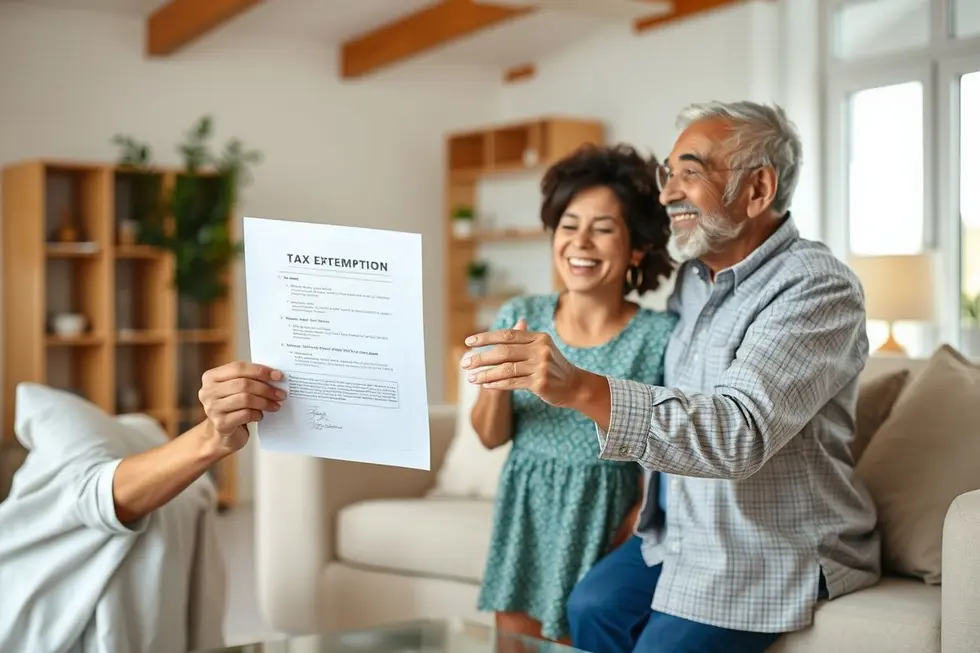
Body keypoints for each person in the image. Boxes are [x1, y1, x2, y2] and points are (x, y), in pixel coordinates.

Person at [459, 101, 880, 653]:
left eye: (691, 172)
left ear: (757, 189)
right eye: (668, 174)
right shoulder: (695, 281)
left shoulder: (816, 288)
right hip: (679, 533)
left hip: (762, 544)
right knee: (591, 607)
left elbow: (738, 433)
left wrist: (581, 386)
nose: (667, 193)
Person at [468, 143, 678, 644]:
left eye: (603, 228)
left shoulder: (659, 336)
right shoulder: (522, 313)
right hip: (527, 509)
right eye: (568, 224)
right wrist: (498, 381)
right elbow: (490, 437)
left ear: (636, 248)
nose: (579, 242)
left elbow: (668, 443)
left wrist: (634, 521)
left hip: (604, 515)